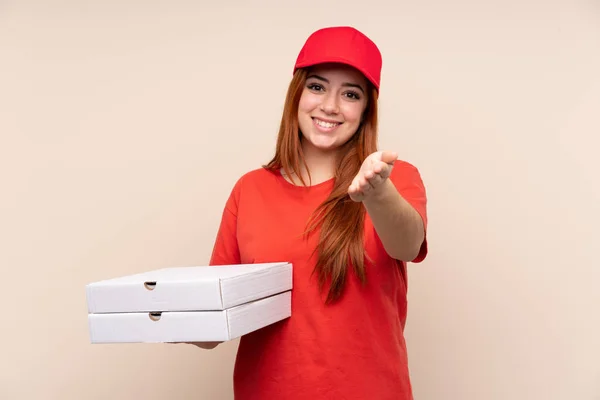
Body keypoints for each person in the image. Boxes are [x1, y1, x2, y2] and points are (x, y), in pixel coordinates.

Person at [201, 26, 428, 400]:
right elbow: (220, 312)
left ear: (366, 109)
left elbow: (407, 244)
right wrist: (166, 318)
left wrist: (377, 193)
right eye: (318, 87)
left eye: (350, 94)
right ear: (297, 94)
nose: (330, 106)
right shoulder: (249, 190)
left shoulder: (393, 178)